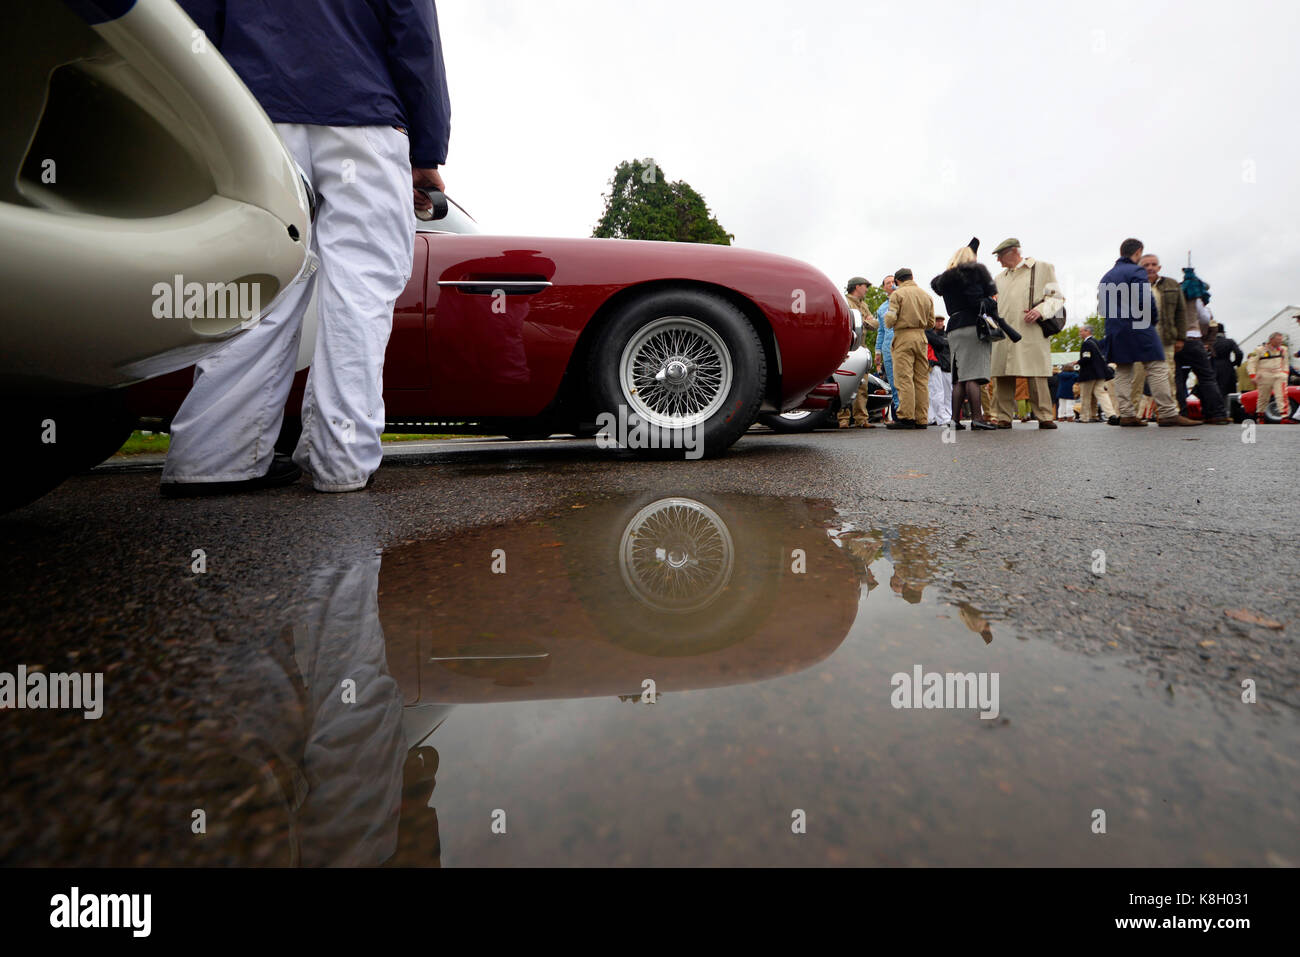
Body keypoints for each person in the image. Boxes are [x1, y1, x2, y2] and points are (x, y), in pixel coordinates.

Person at [161, 0, 452, 496]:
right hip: (364, 118)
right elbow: (415, 37)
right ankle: (340, 460)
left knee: (254, 285)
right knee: (360, 293)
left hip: (254, 117)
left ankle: (214, 458)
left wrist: (196, 125)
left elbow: (192, 26)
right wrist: (426, 149)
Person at [1100, 238, 1198, 427]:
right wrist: (1151, 320)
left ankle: (1127, 414)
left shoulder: (1107, 276)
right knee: (1157, 368)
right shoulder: (1136, 271)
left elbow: (1103, 307)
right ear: (1137, 253)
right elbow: (1145, 299)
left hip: (1115, 329)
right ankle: (1168, 412)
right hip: (1139, 324)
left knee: (1123, 371)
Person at [1140, 253, 1228, 423]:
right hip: (1193, 339)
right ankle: (1217, 413)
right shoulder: (1195, 298)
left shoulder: (1166, 291)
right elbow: (1205, 318)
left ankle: (1182, 412)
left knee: (1176, 378)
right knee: (1206, 377)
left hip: (1170, 339)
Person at [930, 238, 1007, 431]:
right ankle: (977, 418)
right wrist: (991, 302)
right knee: (973, 375)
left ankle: (955, 420)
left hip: (953, 328)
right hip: (972, 326)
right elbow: (977, 303)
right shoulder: (972, 276)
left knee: (960, 377)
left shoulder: (946, 281)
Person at [989, 238, 1065, 430]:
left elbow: (1057, 298)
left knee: (1036, 373)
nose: (998, 260)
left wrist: (1040, 310)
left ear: (1014, 251)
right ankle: (1003, 416)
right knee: (1003, 374)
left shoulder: (1042, 268)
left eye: (1000, 255)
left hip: (1031, 330)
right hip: (1004, 331)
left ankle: (1045, 415)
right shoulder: (999, 278)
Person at [883, 268, 935, 429]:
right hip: (921, 338)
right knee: (921, 380)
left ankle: (906, 416)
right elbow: (931, 323)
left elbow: (890, 319)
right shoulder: (926, 296)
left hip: (903, 337)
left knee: (904, 378)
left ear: (898, 281)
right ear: (912, 277)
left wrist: (887, 321)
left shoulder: (897, 295)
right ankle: (922, 418)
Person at [838, 277, 879, 428]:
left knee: (863, 384)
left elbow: (875, 323)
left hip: (861, 347)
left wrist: (865, 321)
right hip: (848, 347)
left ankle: (861, 419)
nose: (867, 289)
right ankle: (843, 419)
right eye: (865, 286)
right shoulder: (845, 302)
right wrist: (865, 320)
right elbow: (847, 321)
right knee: (845, 383)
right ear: (856, 287)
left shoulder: (864, 305)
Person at [1245, 332, 1294, 422]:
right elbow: (1251, 363)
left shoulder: (1283, 349)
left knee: (1282, 395)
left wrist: (1285, 373)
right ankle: (1260, 416)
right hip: (1264, 376)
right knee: (1263, 397)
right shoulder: (1259, 350)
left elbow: (1286, 362)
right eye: (1278, 340)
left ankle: (1285, 417)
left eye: (1281, 340)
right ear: (1271, 340)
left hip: (1279, 375)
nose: (1280, 341)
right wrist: (1253, 375)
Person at [1076, 324, 1116, 422]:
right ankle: (1111, 414)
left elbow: (1086, 358)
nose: (1080, 333)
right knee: (1101, 394)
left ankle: (1084, 417)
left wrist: (1077, 362)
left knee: (1085, 396)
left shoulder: (1086, 343)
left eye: (1081, 331)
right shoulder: (1097, 342)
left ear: (1087, 331)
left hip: (1088, 374)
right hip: (1100, 373)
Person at [874, 275, 898, 418]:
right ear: (884, 288)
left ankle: (911, 412)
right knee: (893, 382)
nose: (891, 284)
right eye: (888, 283)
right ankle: (898, 413)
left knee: (906, 379)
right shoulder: (882, 308)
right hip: (887, 347)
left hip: (902, 343)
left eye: (893, 281)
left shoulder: (904, 300)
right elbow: (881, 331)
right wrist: (878, 352)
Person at [926, 316, 953, 426]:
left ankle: (942, 416)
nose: (939, 323)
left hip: (946, 366)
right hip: (935, 363)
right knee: (936, 392)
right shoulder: (929, 333)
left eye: (941, 321)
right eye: (937, 321)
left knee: (945, 393)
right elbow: (939, 345)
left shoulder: (947, 335)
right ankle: (939, 417)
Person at [1206, 323, 1244, 401]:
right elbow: (1239, 353)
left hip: (1213, 369)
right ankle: (1231, 411)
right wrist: (1235, 363)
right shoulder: (1229, 341)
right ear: (1223, 332)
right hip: (1227, 368)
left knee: (1215, 393)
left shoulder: (1209, 343)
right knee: (1231, 393)